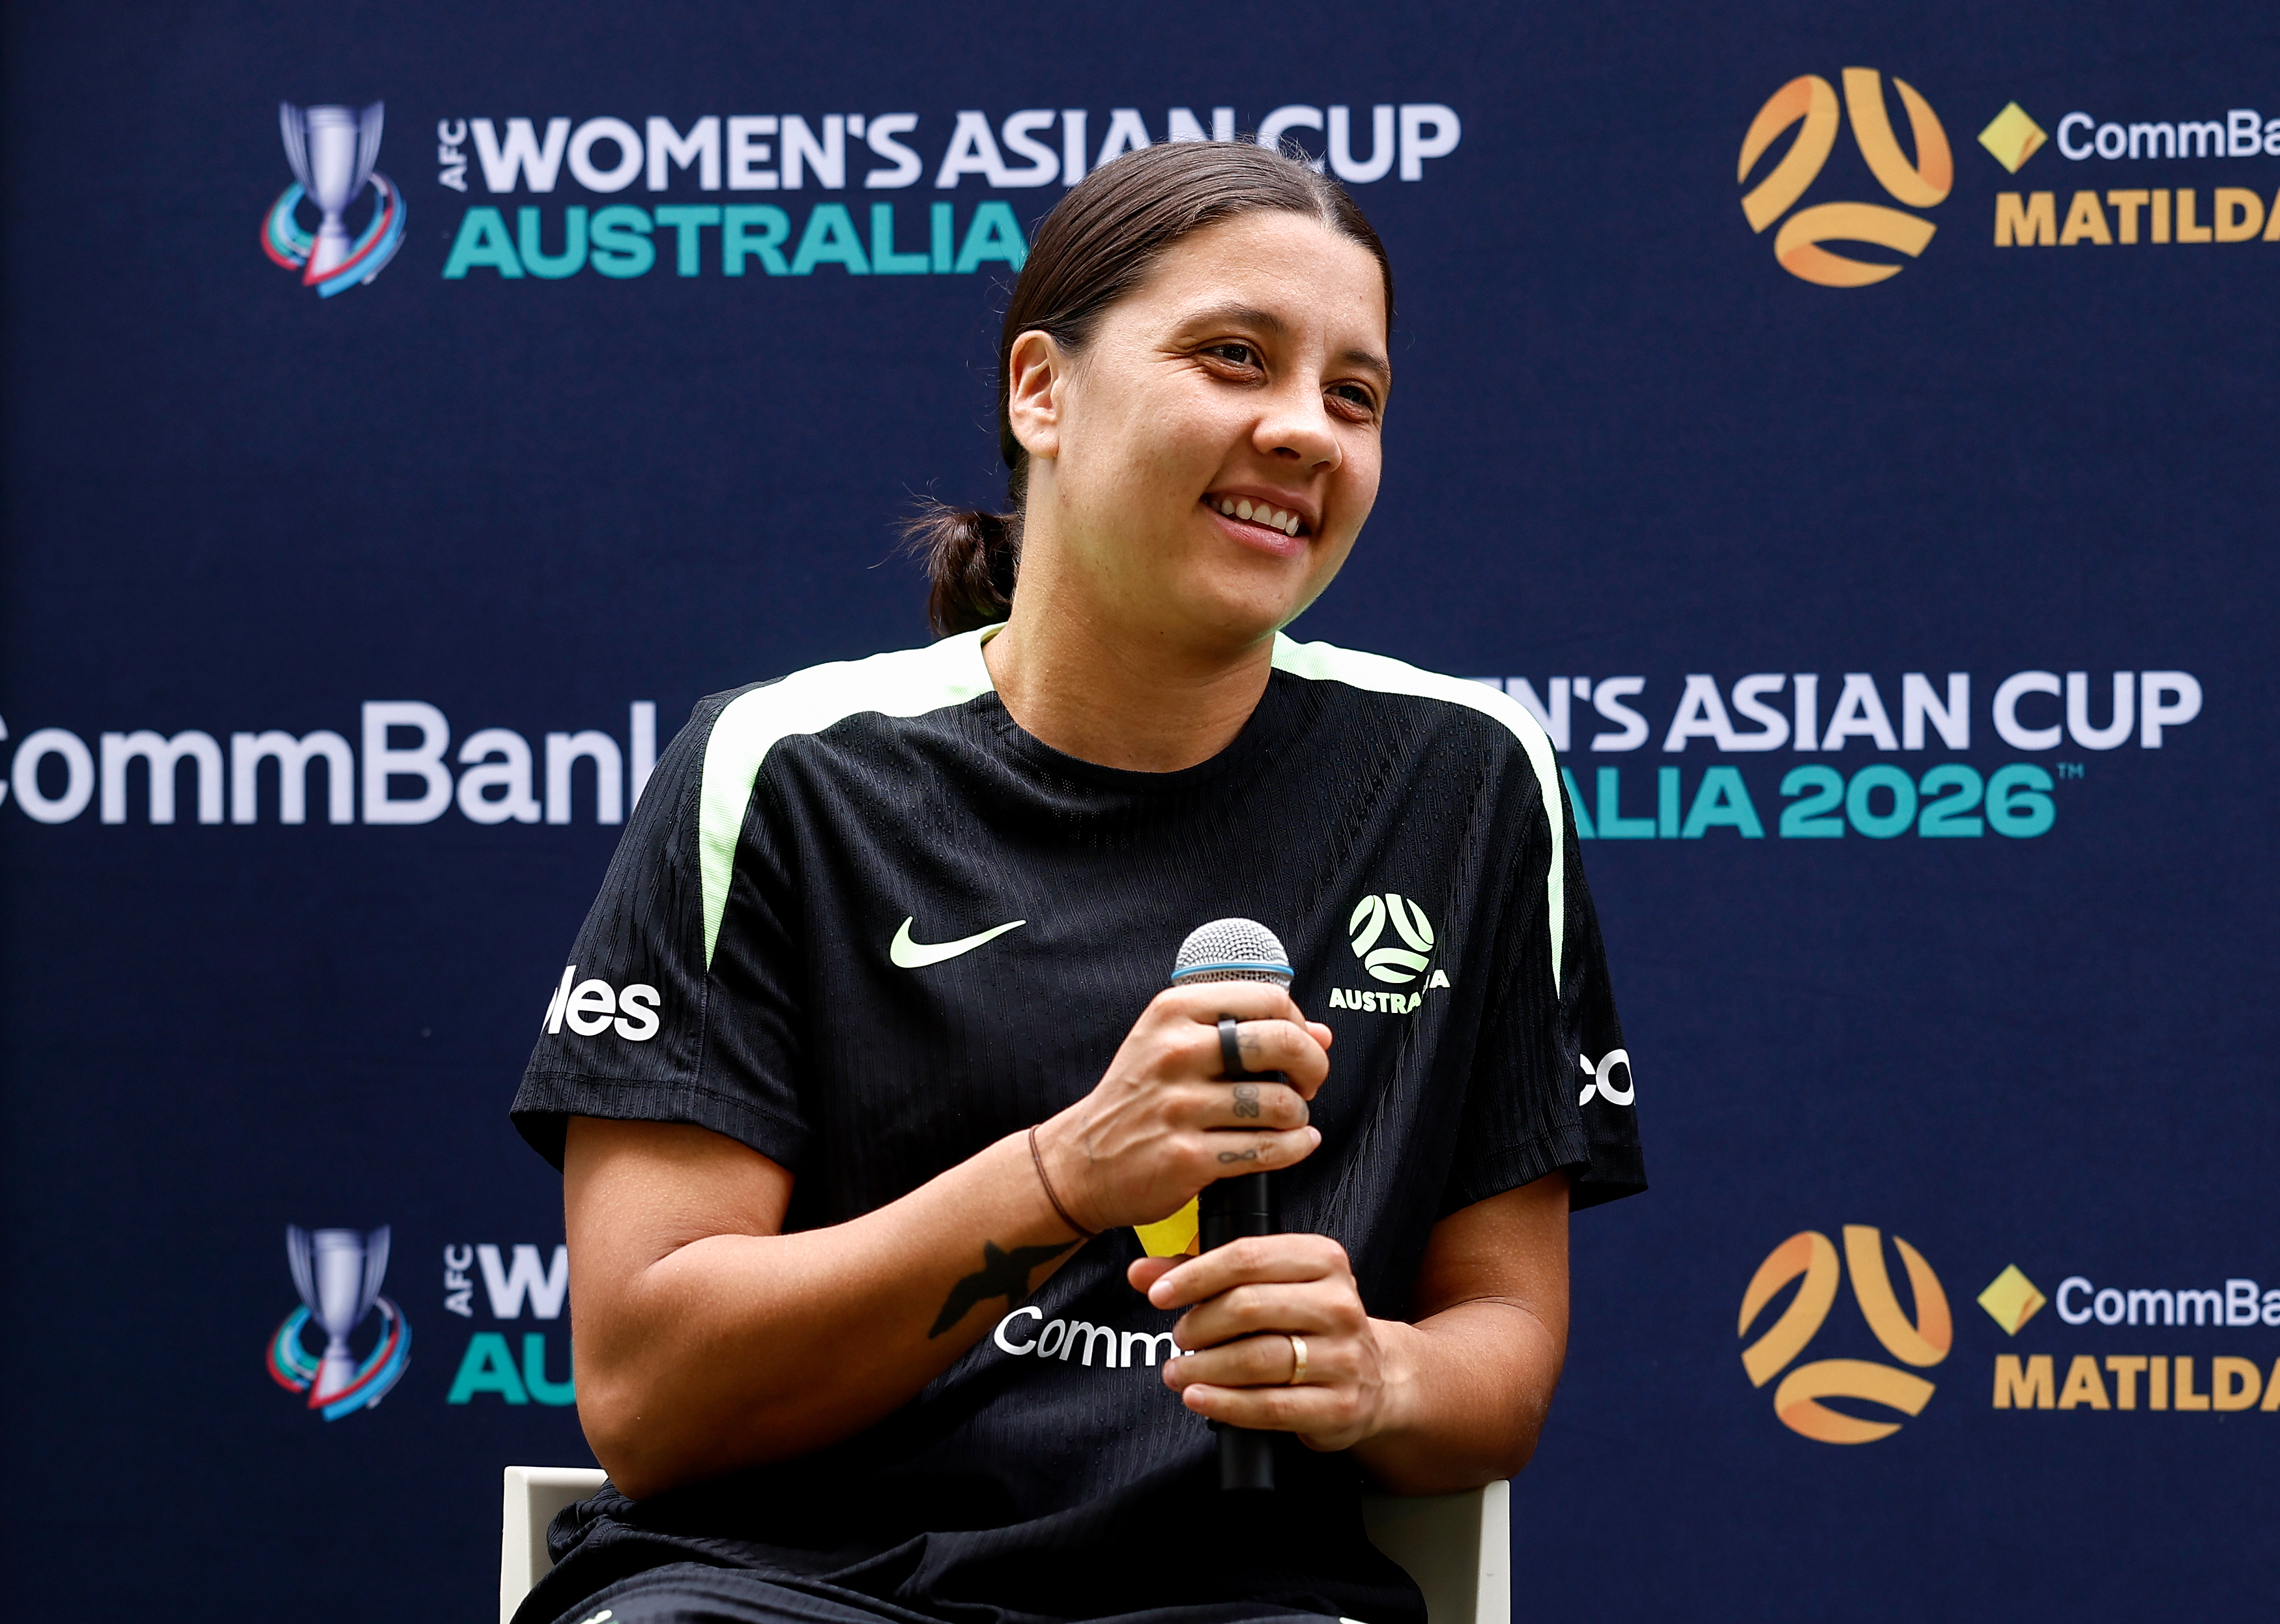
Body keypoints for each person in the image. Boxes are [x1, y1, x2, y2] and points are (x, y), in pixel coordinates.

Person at [510, 137, 1645, 1624]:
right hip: (773, 1586)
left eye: (1353, 395)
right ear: (1039, 390)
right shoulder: (780, 764)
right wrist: (1065, 1175)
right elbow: (647, 1395)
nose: (1305, 430)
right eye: (1234, 357)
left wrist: (1379, 1371)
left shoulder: (1467, 776)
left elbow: (1498, 1345)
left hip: (1235, 1593)